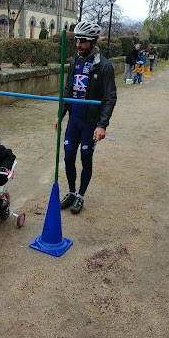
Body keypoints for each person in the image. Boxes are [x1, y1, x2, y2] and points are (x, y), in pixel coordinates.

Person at [54, 20, 117, 214]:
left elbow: (110, 97)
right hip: (74, 121)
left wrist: (102, 125)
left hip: (90, 123)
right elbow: (68, 90)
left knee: (85, 158)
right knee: (68, 158)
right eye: (76, 40)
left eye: (82, 41)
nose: (78, 45)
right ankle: (72, 192)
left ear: (93, 42)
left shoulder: (104, 66)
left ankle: (81, 195)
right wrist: (61, 113)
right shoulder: (74, 61)